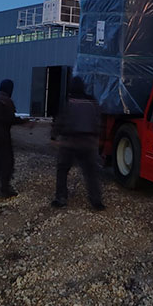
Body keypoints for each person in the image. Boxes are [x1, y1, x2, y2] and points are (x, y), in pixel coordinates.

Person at [51, 75, 104, 210]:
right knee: (91, 173)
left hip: (69, 143)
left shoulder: (69, 102)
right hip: (88, 144)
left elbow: (60, 121)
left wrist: (54, 135)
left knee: (62, 170)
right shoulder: (92, 102)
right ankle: (96, 201)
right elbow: (98, 123)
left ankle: (61, 198)